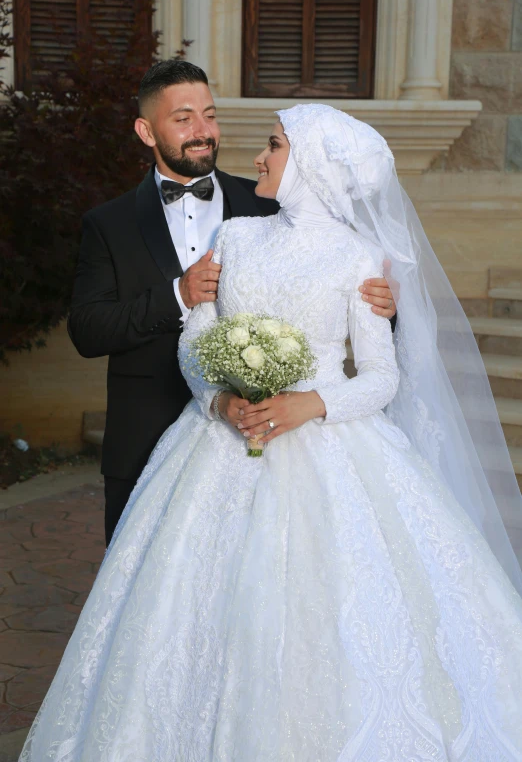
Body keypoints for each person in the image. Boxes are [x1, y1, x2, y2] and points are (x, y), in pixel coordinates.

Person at [21, 104, 522, 761]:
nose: (259, 156)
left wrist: (305, 404)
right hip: (217, 447)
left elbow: (380, 377)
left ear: (310, 163)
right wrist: (220, 400)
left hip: (328, 441)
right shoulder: (234, 237)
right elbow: (195, 341)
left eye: (274, 144)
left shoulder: (362, 258)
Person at [67, 60, 397, 545]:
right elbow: (88, 330)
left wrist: (388, 307)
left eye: (210, 115)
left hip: (284, 447)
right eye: (183, 119)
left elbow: (348, 305)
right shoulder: (107, 223)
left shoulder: (271, 205)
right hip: (149, 440)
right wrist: (178, 296)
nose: (203, 132)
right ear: (146, 130)